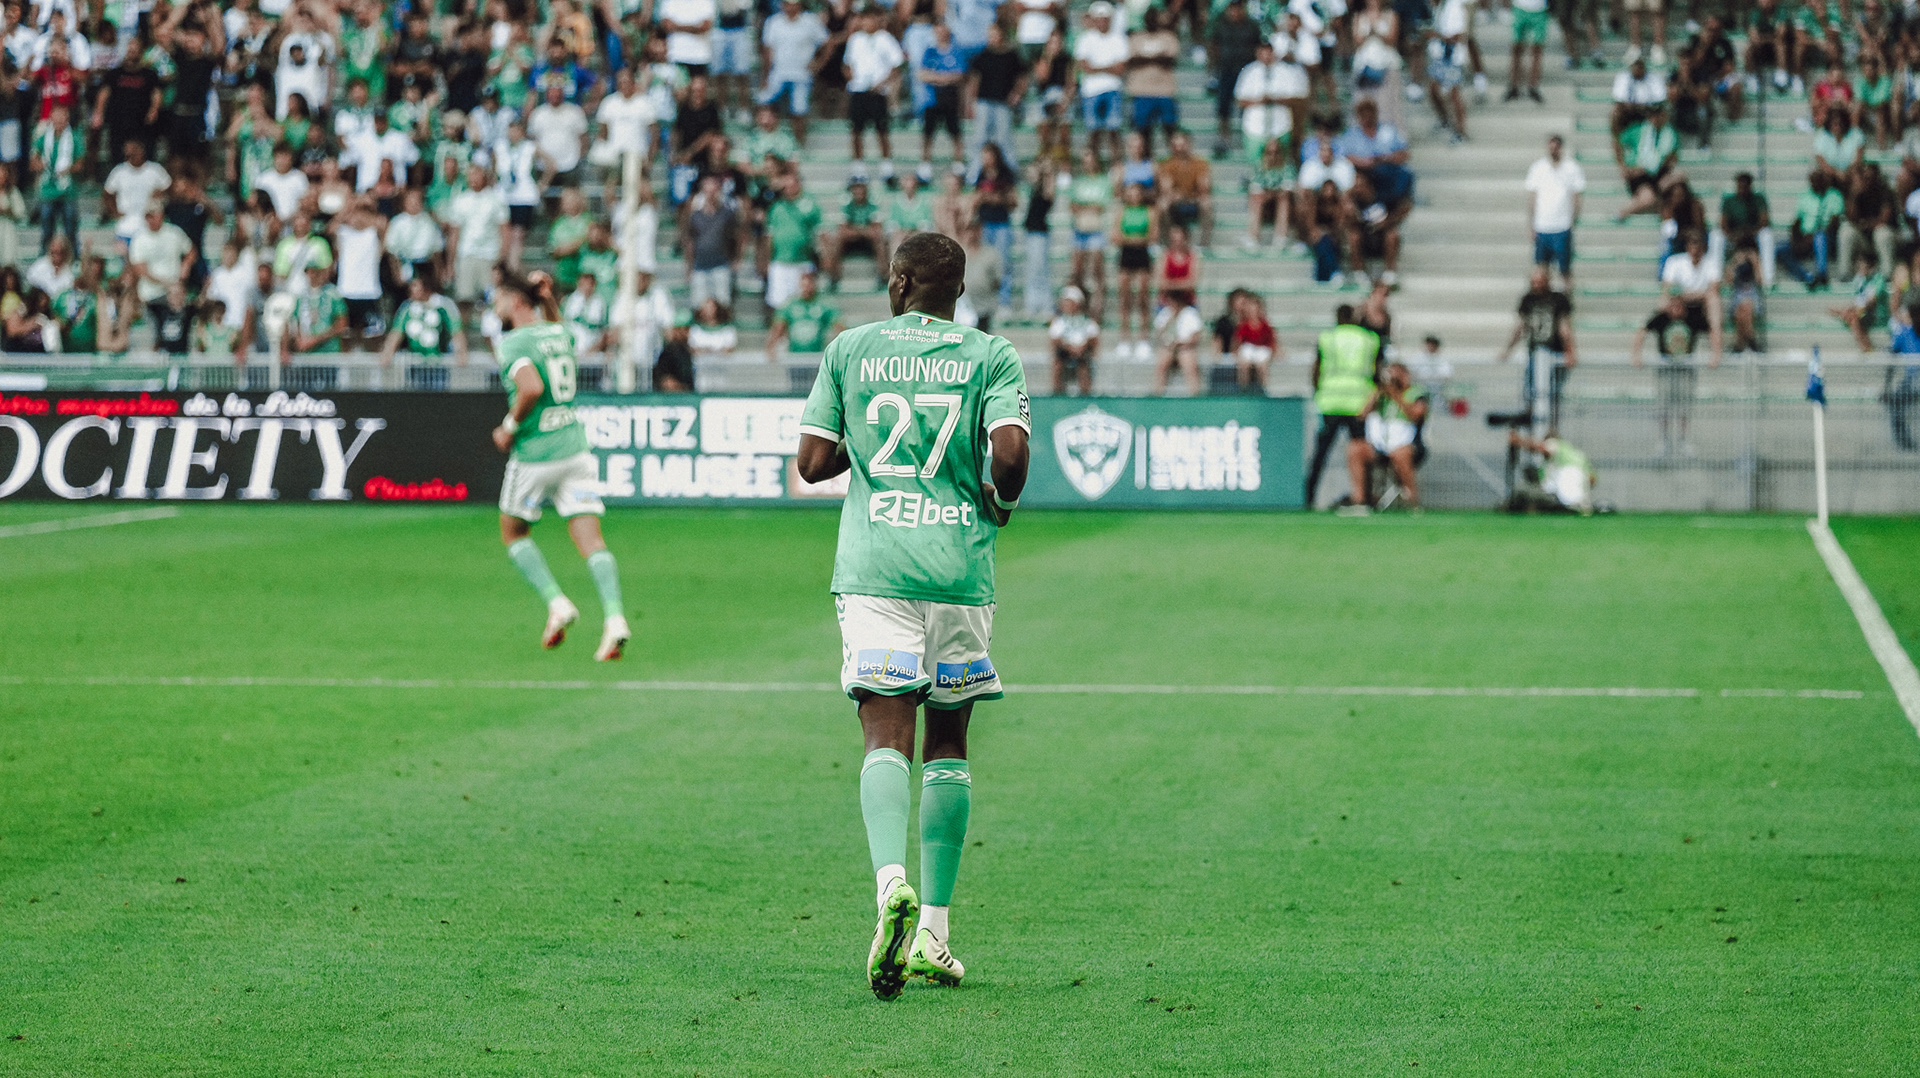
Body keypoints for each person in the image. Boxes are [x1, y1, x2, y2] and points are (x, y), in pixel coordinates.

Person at [792, 230, 1031, 1001]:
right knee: (948, 741)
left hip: (878, 568)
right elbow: (1010, 457)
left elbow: (812, 464)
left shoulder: (850, 349)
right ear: (957, 292)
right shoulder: (991, 355)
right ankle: (934, 930)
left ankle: (889, 882)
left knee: (884, 732)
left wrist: (862, 445)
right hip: (959, 570)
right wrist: (999, 499)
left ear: (897, 283)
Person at [490, 268, 629, 662]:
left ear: (517, 301)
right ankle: (615, 619)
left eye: (499, 298)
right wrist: (549, 298)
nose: (495, 306)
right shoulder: (561, 333)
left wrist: (508, 427)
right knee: (591, 540)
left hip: (535, 454)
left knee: (513, 532)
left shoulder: (513, 343)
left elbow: (531, 387)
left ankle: (557, 602)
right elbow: (556, 327)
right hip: (575, 450)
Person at [1306, 305, 1382, 512]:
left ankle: (1308, 497)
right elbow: (1377, 372)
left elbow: (1317, 367)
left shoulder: (1327, 338)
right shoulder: (1368, 339)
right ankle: (1365, 497)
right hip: (1358, 402)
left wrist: (1318, 391)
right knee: (1361, 453)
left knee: (1320, 454)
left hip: (1330, 401)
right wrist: (1371, 400)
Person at [1498, 267, 1578, 430]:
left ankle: (1551, 429)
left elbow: (1564, 327)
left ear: (1547, 281)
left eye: (1540, 282)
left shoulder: (1558, 299)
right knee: (1531, 392)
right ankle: (1533, 428)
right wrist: (1508, 349)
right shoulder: (1528, 299)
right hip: (1535, 352)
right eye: (1534, 282)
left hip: (1554, 353)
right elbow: (1521, 327)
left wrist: (1570, 351)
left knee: (1552, 393)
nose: (1537, 286)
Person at [1631, 294, 1707, 455]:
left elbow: (1712, 329)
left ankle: (1683, 440)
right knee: (1664, 406)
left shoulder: (1692, 319)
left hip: (1685, 370)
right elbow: (1642, 330)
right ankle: (1664, 440)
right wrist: (1636, 354)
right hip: (1665, 370)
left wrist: (1716, 353)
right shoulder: (1661, 318)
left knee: (1684, 407)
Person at [844, 6, 903, 188]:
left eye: (871, 18)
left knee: (881, 130)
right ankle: (859, 170)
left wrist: (882, 83)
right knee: (857, 131)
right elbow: (847, 64)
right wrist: (853, 78)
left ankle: (887, 169)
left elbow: (897, 65)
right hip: (859, 89)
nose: (867, 22)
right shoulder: (855, 39)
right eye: (865, 18)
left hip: (878, 91)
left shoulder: (886, 39)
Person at [760, 0, 829, 147]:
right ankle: (763, 142)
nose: (790, 7)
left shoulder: (810, 21)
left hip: (801, 75)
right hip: (778, 73)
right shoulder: (773, 22)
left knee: (799, 110)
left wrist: (819, 63)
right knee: (763, 101)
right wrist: (765, 77)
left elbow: (827, 42)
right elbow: (768, 51)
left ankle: (798, 146)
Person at [1360, 361, 1429, 508]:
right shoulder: (1382, 396)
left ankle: (1412, 501)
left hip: (1408, 442)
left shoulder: (1416, 392)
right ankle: (1361, 501)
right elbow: (1362, 415)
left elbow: (1416, 415)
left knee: (1400, 453)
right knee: (1356, 450)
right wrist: (1377, 392)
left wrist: (1395, 394)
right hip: (1382, 443)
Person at [1523, 134, 1584, 290]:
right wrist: (1531, 224)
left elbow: (1576, 197)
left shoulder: (1571, 168)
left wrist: (1572, 220)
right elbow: (1532, 198)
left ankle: (1567, 299)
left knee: (1565, 269)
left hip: (1562, 226)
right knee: (1541, 270)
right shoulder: (1538, 168)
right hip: (1542, 226)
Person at [382, 272, 469, 379]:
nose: (411, 289)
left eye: (415, 286)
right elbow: (397, 332)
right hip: (414, 363)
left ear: (426, 288)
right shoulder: (407, 307)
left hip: (438, 363)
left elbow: (456, 330)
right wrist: (388, 351)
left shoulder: (444, 305)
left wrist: (461, 351)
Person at [128, 200, 195, 335]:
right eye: (148, 216)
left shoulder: (174, 233)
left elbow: (191, 252)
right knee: (155, 334)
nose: (150, 220)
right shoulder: (139, 238)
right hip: (151, 295)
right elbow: (140, 269)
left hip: (174, 295)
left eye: (153, 216)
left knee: (175, 332)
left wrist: (185, 267)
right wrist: (167, 283)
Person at [1072, 1, 1128, 163]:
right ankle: (1092, 166)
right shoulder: (1086, 38)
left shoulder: (1118, 38)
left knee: (1114, 130)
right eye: (1099, 19)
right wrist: (1108, 67)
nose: (1102, 22)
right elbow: (1084, 66)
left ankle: (1116, 165)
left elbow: (1120, 68)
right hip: (1091, 90)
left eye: (1105, 19)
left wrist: (1096, 68)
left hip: (1113, 89)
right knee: (1093, 132)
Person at [1660, 231, 1723, 366]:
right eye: (1693, 246)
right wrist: (1687, 295)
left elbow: (1714, 289)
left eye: (1698, 247)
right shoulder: (1675, 261)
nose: (1695, 251)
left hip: (1701, 303)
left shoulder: (1711, 263)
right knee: (1664, 301)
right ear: (1687, 247)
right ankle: (1665, 343)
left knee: (1714, 301)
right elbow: (1667, 288)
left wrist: (1689, 294)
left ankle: (1716, 351)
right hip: (1681, 301)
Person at [1113, 182, 1157, 359]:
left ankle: (1143, 338)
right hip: (1127, 255)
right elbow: (1115, 236)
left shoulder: (1150, 211)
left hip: (1142, 255)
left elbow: (1153, 236)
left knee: (1142, 297)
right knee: (1125, 298)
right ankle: (1124, 338)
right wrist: (1138, 239)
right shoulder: (1122, 211)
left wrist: (1129, 238)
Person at [821, 178, 887, 292]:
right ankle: (834, 275)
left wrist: (856, 230)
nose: (859, 191)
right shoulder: (846, 203)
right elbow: (843, 230)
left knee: (879, 240)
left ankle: (883, 275)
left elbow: (876, 230)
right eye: (856, 188)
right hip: (852, 240)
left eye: (861, 187)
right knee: (838, 239)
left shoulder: (873, 203)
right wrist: (863, 230)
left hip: (867, 241)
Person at [766, 267, 842, 361]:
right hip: (794, 357)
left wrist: (837, 349)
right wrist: (771, 346)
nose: (806, 287)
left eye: (810, 282)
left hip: (817, 357)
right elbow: (778, 327)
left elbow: (839, 327)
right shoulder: (790, 305)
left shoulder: (825, 305)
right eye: (804, 283)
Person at [1049, 283, 1098, 394]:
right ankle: (1057, 392)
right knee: (1058, 363)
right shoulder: (1059, 320)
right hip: (1065, 350)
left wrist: (1083, 346)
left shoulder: (1086, 320)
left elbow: (1093, 337)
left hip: (1082, 350)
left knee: (1083, 364)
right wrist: (1069, 347)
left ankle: (1085, 393)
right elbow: (1055, 339)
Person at [1505, 0, 1547, 103]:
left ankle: (1533, 86)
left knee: (1537, 48)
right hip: (1519, 7)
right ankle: (1514, 85)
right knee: (1516, 48)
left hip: (1540, 9)